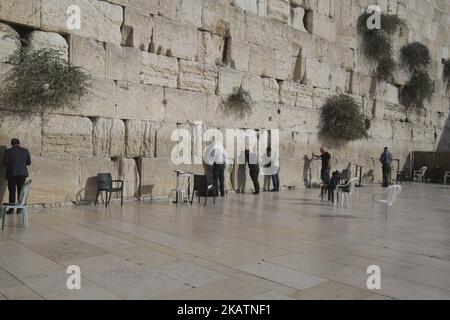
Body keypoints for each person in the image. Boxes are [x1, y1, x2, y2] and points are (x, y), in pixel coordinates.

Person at [3, 138, 31, 214]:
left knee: (12, 191)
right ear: (19, 143)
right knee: (20, 191)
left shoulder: (8, 151)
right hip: (22, 174)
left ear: (11, 144)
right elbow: (28, 163)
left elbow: (5, 162)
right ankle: (19, 209)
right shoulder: (25, 151)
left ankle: (11, 209)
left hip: (12, 173)